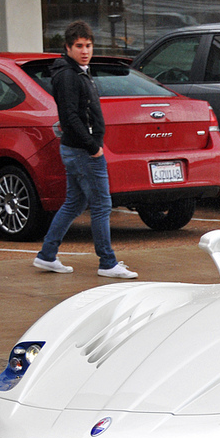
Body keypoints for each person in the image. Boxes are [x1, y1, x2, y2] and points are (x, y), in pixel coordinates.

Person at [33, 20, 137, 279]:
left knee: (74, 203)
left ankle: (46, 255)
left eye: (88, 45)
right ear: (68, 47)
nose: (85, 50)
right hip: (83, 151)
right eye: (79, 46)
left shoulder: (77, 70)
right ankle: (107, 262)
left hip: (76, 149)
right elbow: (69, 116)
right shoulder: (69, 75)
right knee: (102, 205)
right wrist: (93, 147)